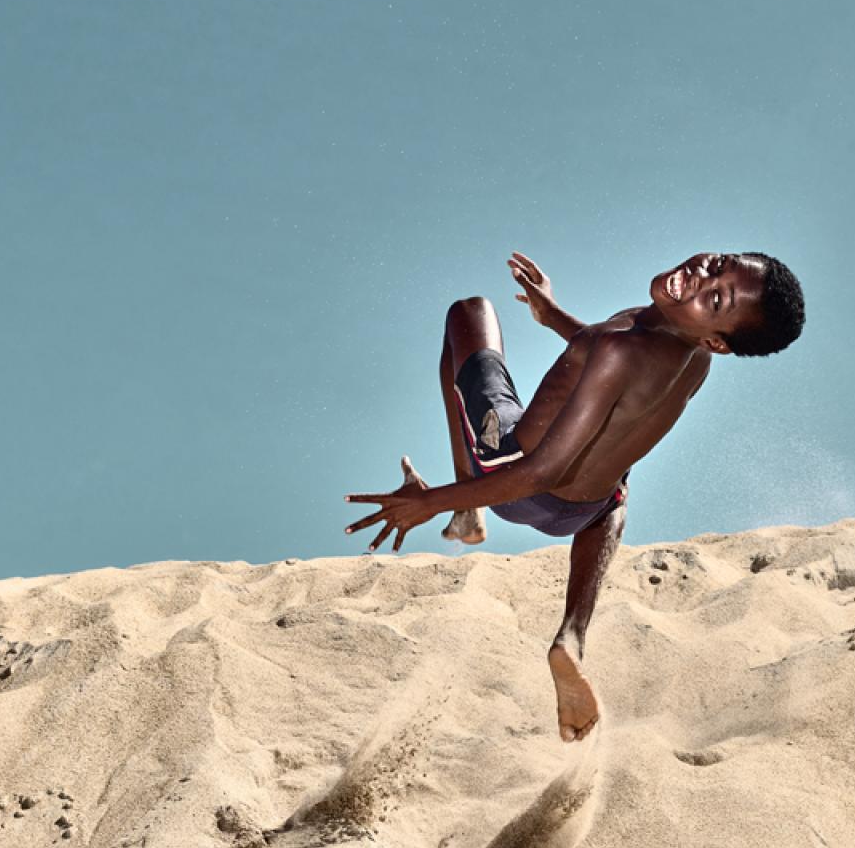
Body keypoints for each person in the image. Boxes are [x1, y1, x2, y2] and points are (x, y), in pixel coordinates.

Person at [345, 251, 806, 741]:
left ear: (717, 338)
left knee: (469, 313)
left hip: (511, 476)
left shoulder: (620, 348)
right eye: (717, 265)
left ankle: (466, 508)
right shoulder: (694, 360)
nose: (698, 279)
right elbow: (608, 368)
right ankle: (571, 636)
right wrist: (552, 316)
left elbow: (543, 469)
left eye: (715, 298)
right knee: (617, 480)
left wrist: (431, 500)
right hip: (588, 512)